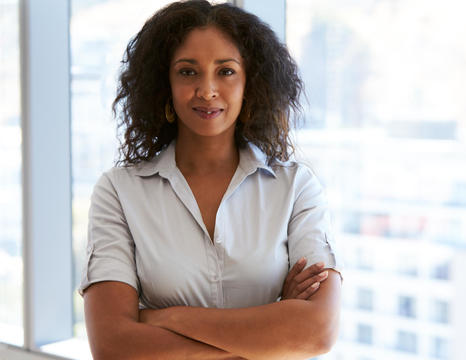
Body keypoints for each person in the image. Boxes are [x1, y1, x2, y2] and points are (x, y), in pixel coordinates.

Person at [79, 1, 342, 359]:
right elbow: (113, 347)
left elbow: (317, 332)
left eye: (226, 71)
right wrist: (269, 337)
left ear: (251, 82)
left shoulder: (296, 188)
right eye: (188, 72)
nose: (207, 89)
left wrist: (164, 318)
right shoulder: (119, 191)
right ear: (164, 84)